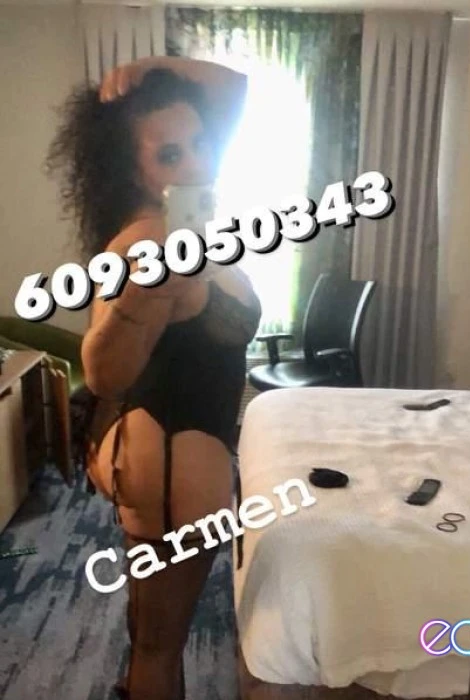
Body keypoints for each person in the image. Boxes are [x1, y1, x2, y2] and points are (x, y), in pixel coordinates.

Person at [46, 56, 262, 700]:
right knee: (160, 646)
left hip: (181, 459)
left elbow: (236, 89)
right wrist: (148, 293)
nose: (196, 163)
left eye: (199, 144)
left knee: (158, 631)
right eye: (169, 155)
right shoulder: (146, 244)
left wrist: (153, 68)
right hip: (166, 464)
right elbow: (103, 369)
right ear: (132, 169)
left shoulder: (187, 223)